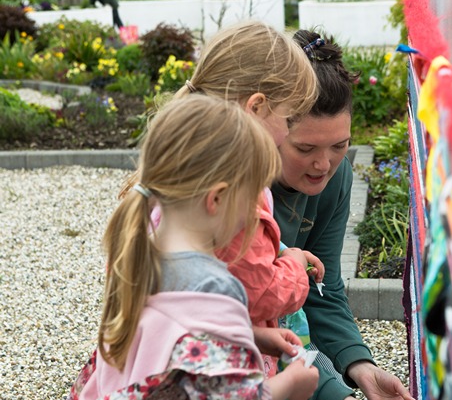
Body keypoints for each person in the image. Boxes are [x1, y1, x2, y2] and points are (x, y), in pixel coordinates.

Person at [68, 94, 319, 399]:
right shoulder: (216, 286)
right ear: (217, 199)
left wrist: (252, 335)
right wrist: (291, 386)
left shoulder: (136, 258)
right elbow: (231, 395)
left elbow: (171, 338)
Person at [122, 21, 324, 377]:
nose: (289, 131)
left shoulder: (181, 169)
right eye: (289, 118)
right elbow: (259, 292)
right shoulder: (233, 193)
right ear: (257, 107)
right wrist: (294, 265)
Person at [270, 29, 414, 400]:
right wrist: (329, 386)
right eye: (305, 148)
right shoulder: (234, 190)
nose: (323, 164)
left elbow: (323, 285)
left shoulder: (336, 178)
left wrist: (358, 366)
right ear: (268, 128)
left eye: (340, 145)